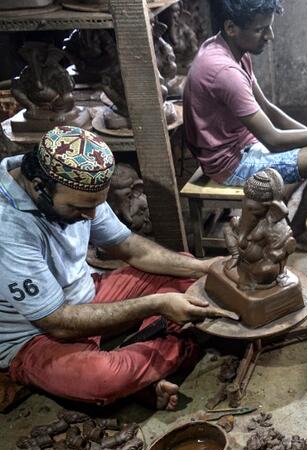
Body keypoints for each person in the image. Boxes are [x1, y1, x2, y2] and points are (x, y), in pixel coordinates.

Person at [0, 126, 234, 410]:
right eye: (79, 208)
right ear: (39, 186)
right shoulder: (8, 228)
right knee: (102, 378)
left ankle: (141, 369)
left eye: (96, 205)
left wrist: (201, 266)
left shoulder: (72, 179)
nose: (91, 216)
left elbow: (128, 247)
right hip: (36, 334)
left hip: (89, 293)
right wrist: (155, 305)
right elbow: (57, 323)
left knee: (187, 274)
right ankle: (167, 353)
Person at [182, 0, 307, 247]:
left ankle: (272, 221)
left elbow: (268, 109)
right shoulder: (224, 71)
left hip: (243, 145)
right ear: (231, 27)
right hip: (229, 164)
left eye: (269, 27)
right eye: (260, 29)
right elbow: (273, 139)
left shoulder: (227, 49)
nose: (270, 36)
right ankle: (291, 236)